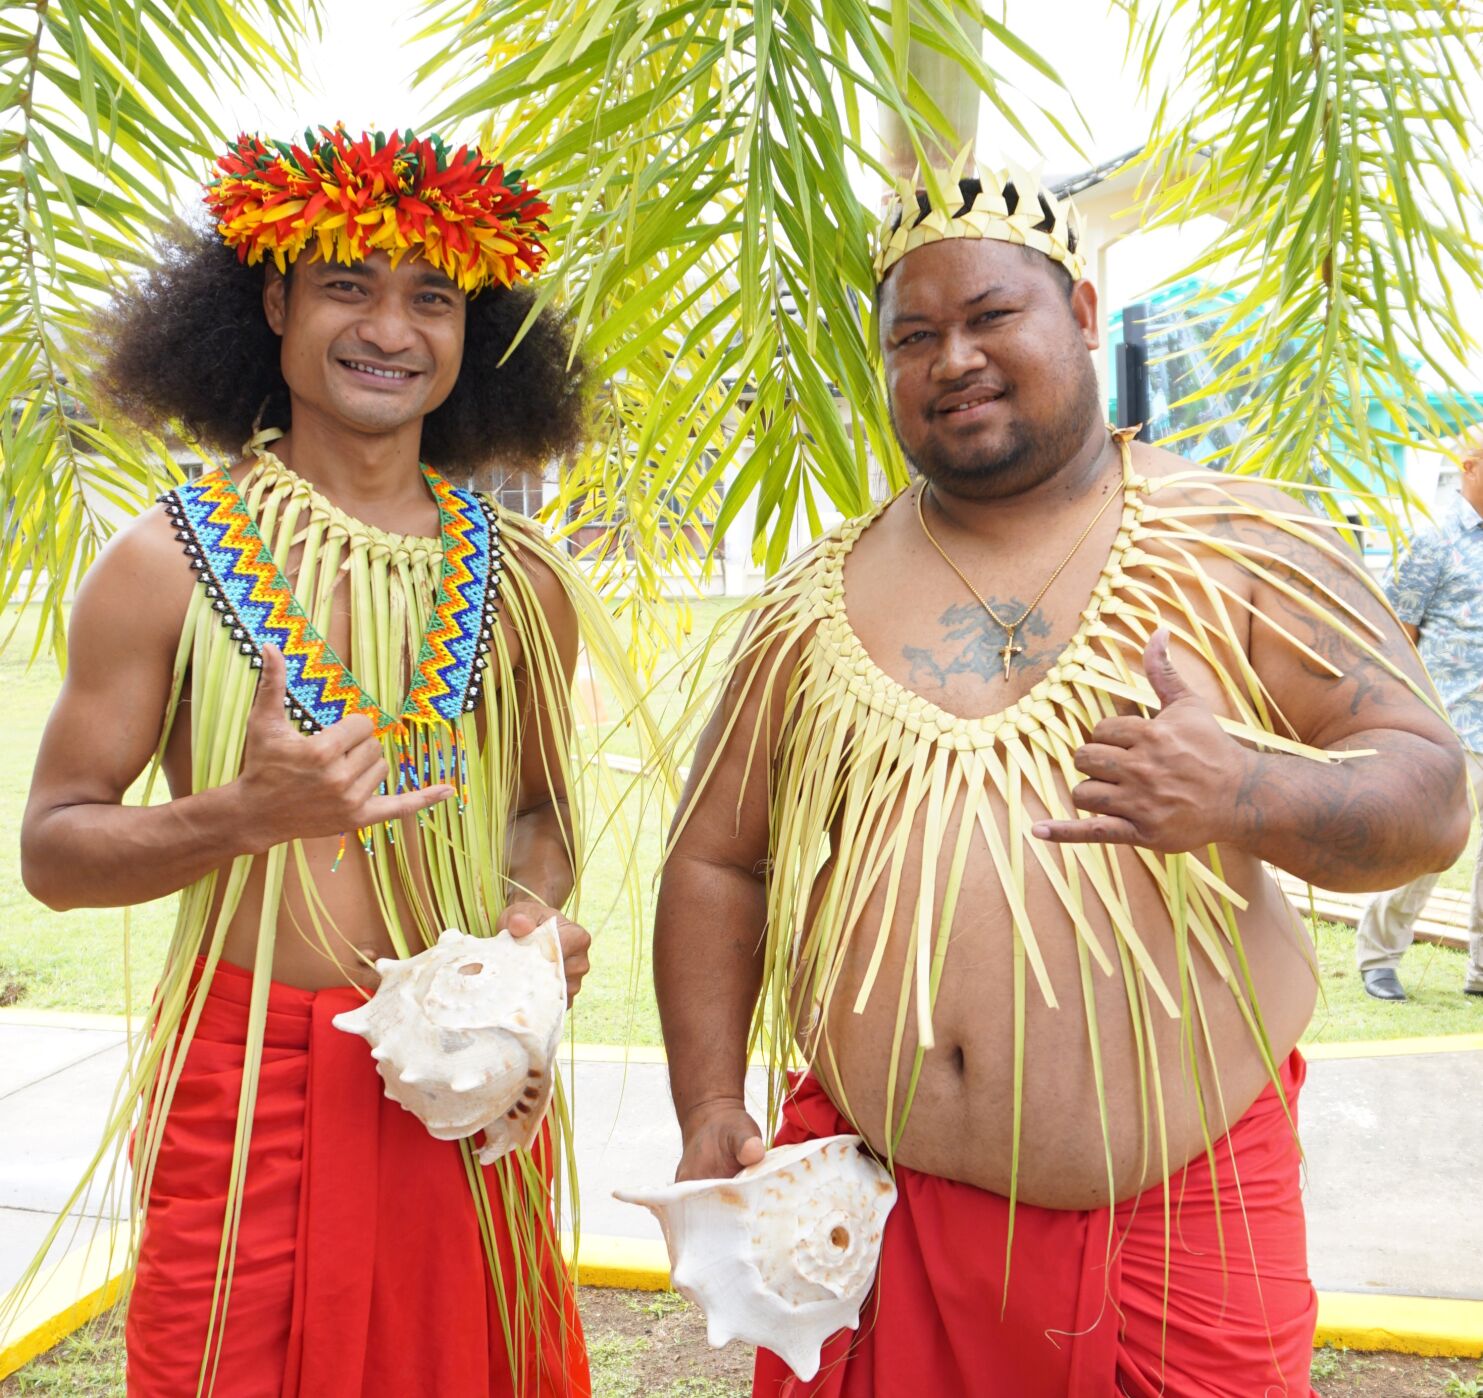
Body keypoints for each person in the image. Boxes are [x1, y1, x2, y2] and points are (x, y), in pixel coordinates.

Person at [653, 173, 1468, 1397]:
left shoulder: (1242, 544)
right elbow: (717, 857)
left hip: (1179, 1218)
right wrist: (711, 1100)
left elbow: (1432, 796)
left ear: (1082, 310)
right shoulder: (809, 604)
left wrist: (1245, 791)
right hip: (873, 1215)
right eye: (912, 338)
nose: (953, 359)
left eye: (990, 316)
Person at [19, 125, 645, 1397]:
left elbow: (538, 814)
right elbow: (53, 853)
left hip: (463, 1085)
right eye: (348, 284)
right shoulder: (160, 563)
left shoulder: (521, 579)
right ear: (271, 301)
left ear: (473, 332)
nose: (391, 329)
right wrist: (240, 815)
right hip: (247, 1097)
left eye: (433, 297)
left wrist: (522, 938)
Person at [1356, 425, 1483, 1001]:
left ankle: (1480, 973)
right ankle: (1379, 958)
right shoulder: (1433, 538)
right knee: (1432, 847)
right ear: (1470, 467)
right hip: (1452, 728)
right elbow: (1395, 634)